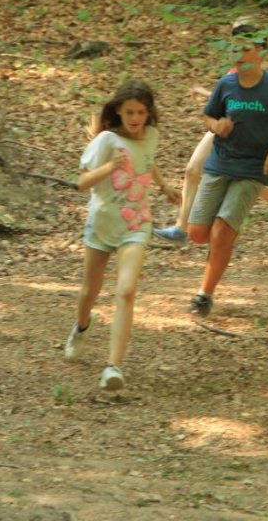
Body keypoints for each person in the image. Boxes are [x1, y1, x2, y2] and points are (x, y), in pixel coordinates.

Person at [64, 80, 180, 391]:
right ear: (118, 111)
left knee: (126, 291)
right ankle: (81, 327)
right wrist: (110, 167)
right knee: (89, 291)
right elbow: (82, 183)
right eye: (129, 112)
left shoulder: (152, 135)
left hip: (136, 225)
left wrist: (164, 186)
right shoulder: (106, 140)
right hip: (102, 224)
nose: (135, 118)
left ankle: (112, 367)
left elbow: (148, 160)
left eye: (141, 112)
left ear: (148, 113)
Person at [187, 22, 268, 317]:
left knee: (221, 233)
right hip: (220, 163)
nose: (238, 55)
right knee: (198, 233)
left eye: (245, 49)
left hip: (254, 168)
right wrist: (216, 125)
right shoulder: (225, 85)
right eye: (234, 49)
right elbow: (207, 117)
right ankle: (223, 241)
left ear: (261, 52)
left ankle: (204, 295)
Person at [154, 100, 268, 258]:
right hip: (227, 125)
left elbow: (257, 100)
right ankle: (181, 228)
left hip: (246, 130)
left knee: (253, 183)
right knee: (192, 171)